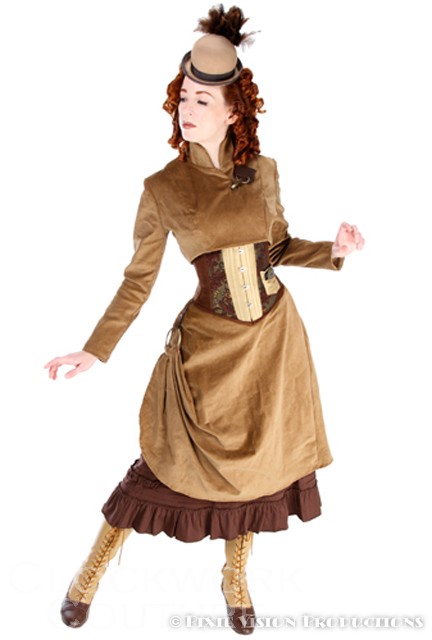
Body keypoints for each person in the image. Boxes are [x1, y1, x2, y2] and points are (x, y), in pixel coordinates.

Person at [44, 4, 365, 635]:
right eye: (183, 97)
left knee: (257, 473)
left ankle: (235, 578)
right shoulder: (163, 188)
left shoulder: (262, 172)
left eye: (201, 100)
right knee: (158, 468)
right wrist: (95, 349)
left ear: (233, 110)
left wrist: (333, 251)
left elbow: (276, 247)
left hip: (273, 343)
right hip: (207, 352)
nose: (186, 110)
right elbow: (138, 280)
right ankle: (88, 575)